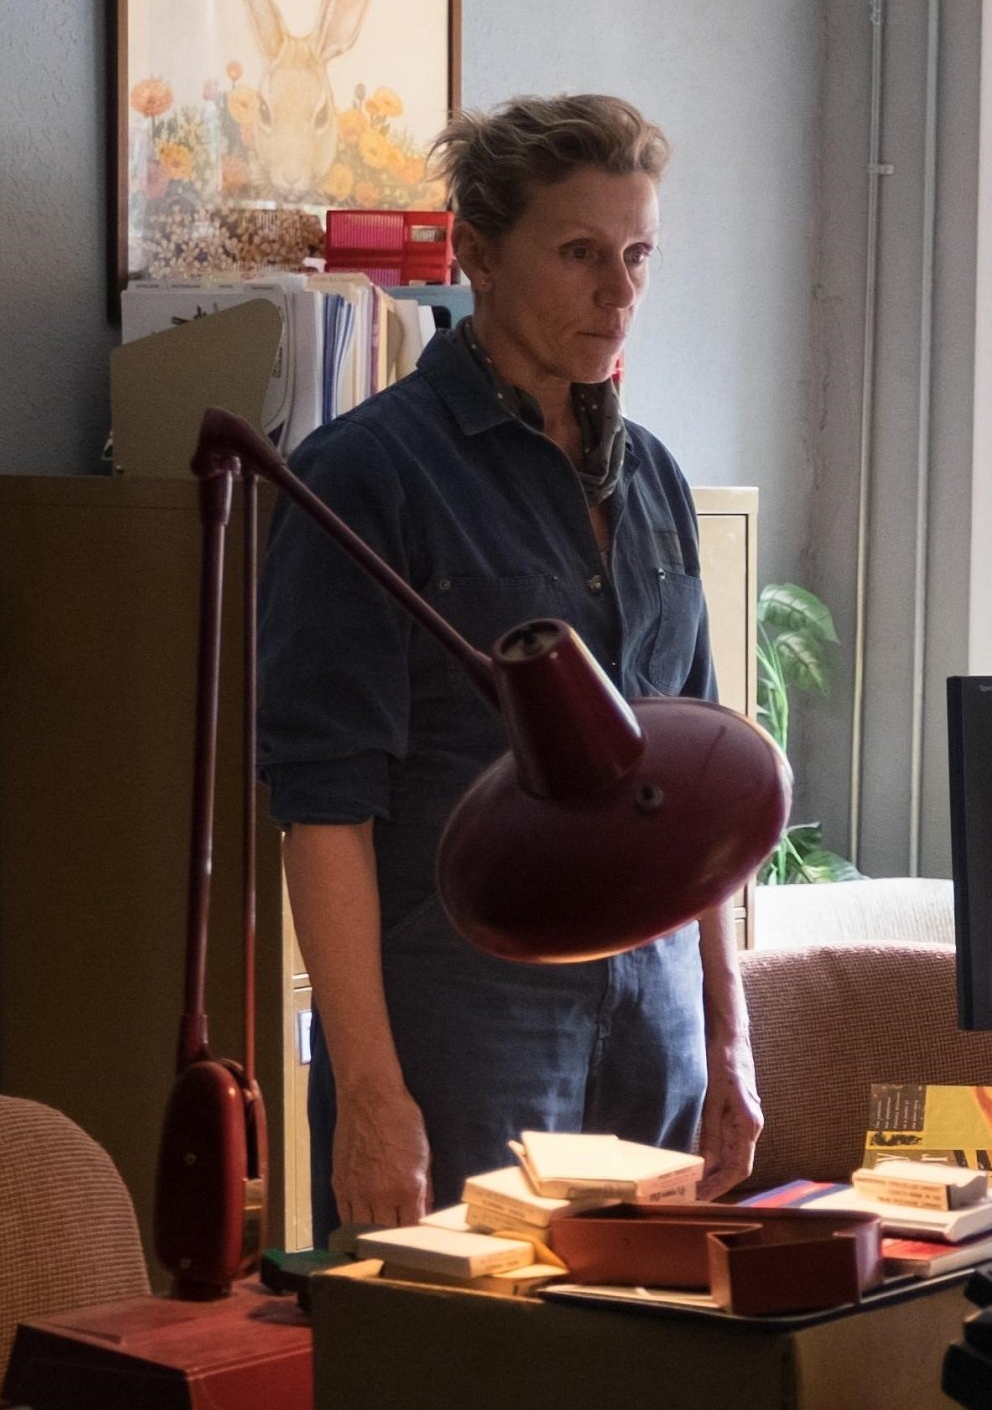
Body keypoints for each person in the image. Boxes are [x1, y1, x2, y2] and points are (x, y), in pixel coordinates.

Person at [257, 93, 757, 1237]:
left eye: (638, 255)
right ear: (477, 255)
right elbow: (325, 811)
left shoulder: (655, 480)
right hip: (463, 1017)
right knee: (464, 1339)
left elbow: (701, 791)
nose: (619, 292)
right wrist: (369, 1096)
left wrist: (729, 1036)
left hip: (657, 1015)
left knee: (646, 1332)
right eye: (580, 253)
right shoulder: (367, 476)